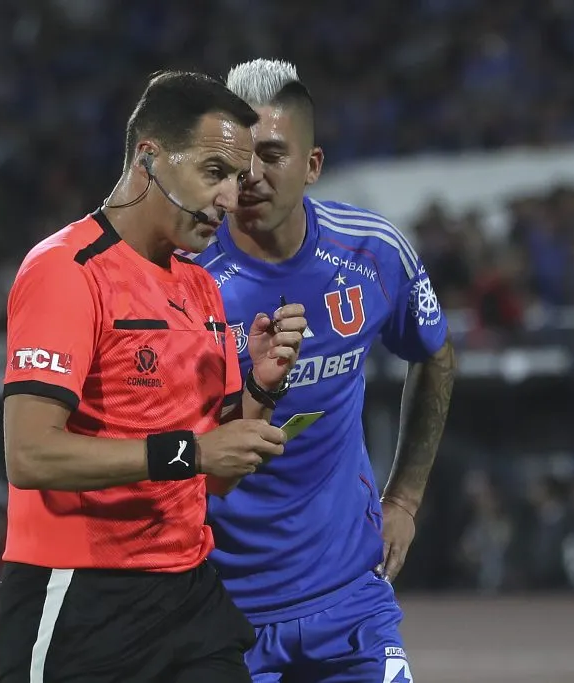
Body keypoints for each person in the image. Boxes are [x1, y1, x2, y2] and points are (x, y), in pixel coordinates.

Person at [0, 70, 309, 683]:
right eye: (213, 173)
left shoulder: (201, 289)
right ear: (149, 158)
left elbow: (214, 479)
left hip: (187, 592)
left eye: (237, 180)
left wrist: (262, 391)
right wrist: (192, 452)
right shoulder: (66, 270)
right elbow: (30, 456)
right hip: (81, 595)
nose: (230, 199)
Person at [195, 59, 456, 683]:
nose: (251, 174)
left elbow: (435, 356)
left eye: (273, 154)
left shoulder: (372, 253)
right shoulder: (184, 280)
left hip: (350, 600)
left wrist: (406, 499)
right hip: (221, 609)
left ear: (312, 166)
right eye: (237, 156)